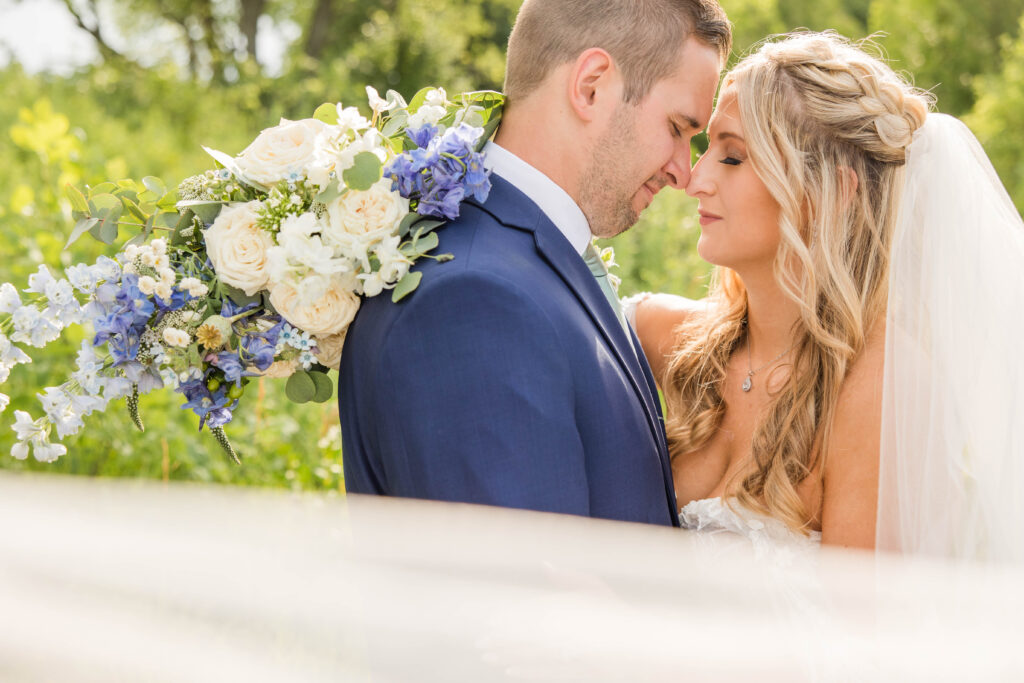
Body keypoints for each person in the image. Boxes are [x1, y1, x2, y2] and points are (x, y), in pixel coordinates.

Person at [630, 31, 1024, 560]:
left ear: (830, 194)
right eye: (706, 150)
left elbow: (861, 638)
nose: (694, 179)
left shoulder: (883, 386)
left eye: (732, 157)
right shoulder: (673, 339)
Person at [338, 0, 731, 526]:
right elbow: (520, 598)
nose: (684, 172)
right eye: (678, 128)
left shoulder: (524, 262)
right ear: (592, 84)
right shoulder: (475, 302)